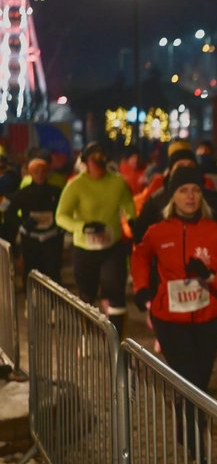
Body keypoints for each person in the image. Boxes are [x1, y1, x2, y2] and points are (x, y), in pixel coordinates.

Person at [131, 165, 217, 464]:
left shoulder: (216, 232)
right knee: (190, 385)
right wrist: (141, 288)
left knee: (198, 386)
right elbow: (139, 256)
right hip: (170, 322)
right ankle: (199, 456)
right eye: (183, 190)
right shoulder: (158, 231)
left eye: (195, 189)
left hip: (209, 321)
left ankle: (186, 426)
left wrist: (209, 276)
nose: (190, 196)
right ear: (172, 197)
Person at [55, 142, 136, 334]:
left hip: (112, 246)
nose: (98, 162)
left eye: (102, 157)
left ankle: (117, 340)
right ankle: (85, 335)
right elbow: (61, 216)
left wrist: (133, 222)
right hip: (84, 248)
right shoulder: (75, 185)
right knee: (87, 295)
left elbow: (129, 206)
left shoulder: (118, 183)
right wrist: (82, 227)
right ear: (85, 162)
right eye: (94, 158)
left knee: (116, 292)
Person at [4, 158, 64, 287]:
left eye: (43, 171)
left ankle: (54, 305)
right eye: (36, 171)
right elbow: (10, 213)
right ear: (30, 173)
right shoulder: (23, 193)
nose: (40, 174)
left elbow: (64, 212)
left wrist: (59, 227)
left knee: (53, 273)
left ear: (48, 172)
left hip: (51, 238)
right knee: (31, 272)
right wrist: (23, 222)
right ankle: (30, 303)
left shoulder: (56, 192)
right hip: (30, 239)